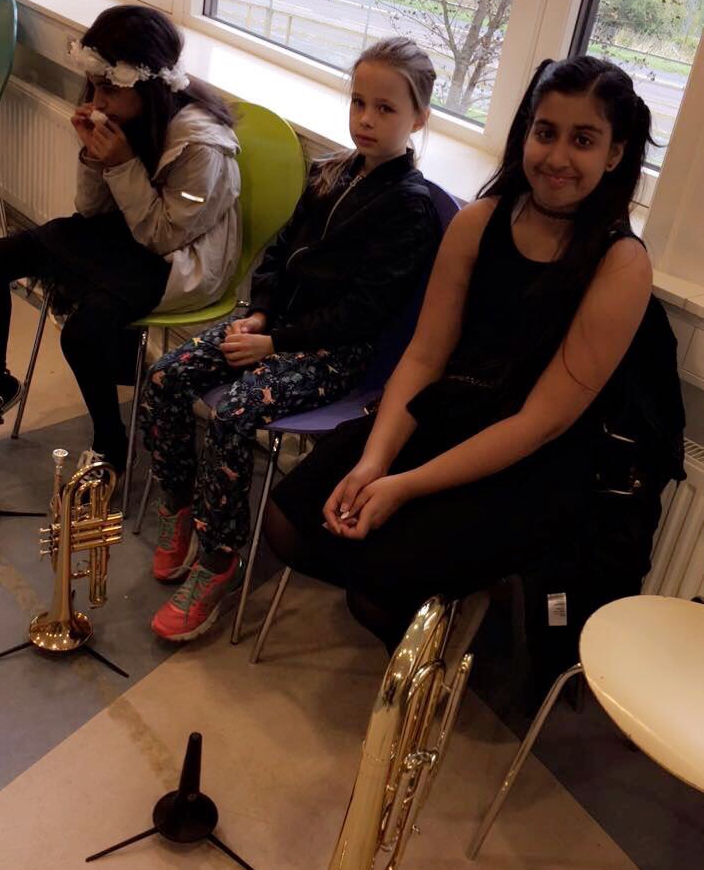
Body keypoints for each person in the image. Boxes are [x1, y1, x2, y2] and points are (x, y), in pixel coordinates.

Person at [265, 56, 686, 649]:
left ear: (614, 154)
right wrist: (375, 462)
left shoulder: (621, 263)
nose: (557, 157)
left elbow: (542, 422)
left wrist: (406, 485)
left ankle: (460, 636)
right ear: (525, 133)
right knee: (289, 524)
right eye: (545, 132)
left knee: (377, 594)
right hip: (454, 411)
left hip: (531, 458)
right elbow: (424, 357)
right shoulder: (479, 221)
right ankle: (441, 615)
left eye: (583, 140)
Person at [140, 36, 442, 642]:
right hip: (274, 330)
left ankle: (219, 559)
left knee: (233, 416)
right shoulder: (330, 170)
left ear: (419, 118)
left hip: (336, 354)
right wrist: (258, 315)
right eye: (359, 102)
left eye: (385, 108)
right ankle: (181, 503)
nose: (366, 119)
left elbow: (362, 313)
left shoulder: (409, 208)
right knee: (167, 376)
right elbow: (279, 254)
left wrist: (274, 343)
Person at [0, 5, 241, 469]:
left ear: (146, 84)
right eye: (94, 86)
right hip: (125, 232)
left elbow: (163, 237)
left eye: (108, 89)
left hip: (176, 260)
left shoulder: (202, 145)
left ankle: (111, 442)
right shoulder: (127, 115)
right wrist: (92, 156)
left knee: (83, 334)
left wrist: (121, 164)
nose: (97, 102)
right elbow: (91, 211)